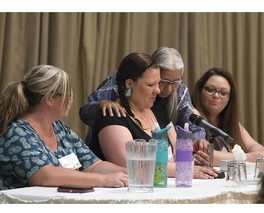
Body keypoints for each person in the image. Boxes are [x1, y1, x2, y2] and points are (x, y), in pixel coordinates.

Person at [0, 65, 127, 203]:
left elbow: (93, 165)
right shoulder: (16, 133)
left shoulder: (60, 128)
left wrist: (133, 173)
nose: (71, 100)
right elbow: (45, 176)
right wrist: (104, 180)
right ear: (50, 99)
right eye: (68, 95)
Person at [88, 52, 217, 179]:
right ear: (129, 84)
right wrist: (183, 169)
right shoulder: (112, 117)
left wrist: (195, 160)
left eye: (158, 83)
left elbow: (176, 154)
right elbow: (132, 166)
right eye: (150, 85)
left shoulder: (156, 108)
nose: (158, 90)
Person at [79, 47, 206, 144]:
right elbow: (85, 112)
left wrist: (198, 141)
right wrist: (101, 104)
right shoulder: (120, 81)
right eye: (164, 81)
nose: (169, 88)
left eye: (175, 82)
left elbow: (193, 122)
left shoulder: (180, 89)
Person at [191, 67, 264, 166]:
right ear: (200, 91)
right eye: (210, 90)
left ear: (230, 98)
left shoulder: (230, 121)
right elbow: (203, 155)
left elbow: (261, 154)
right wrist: (244, 157)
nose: (216, 96)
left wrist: (241, 157)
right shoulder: (194, 116)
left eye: (223, 93)